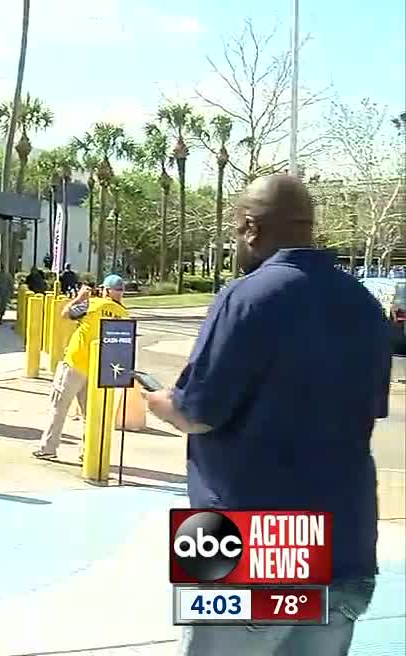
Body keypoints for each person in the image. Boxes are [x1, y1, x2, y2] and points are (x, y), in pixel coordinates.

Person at [142, 175, 388, 655]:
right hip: (348, 543)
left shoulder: (247, 296)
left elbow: (197, 413)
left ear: (251, 228)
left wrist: (160, 401)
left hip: (252, 543)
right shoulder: (364, 306)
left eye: (237, 230)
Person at [31, 275, 129, 461]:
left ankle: (48, 448)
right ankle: (87, 452)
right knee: (89, 414)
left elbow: (65, 313)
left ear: (106, 290)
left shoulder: (91, 304)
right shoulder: (124, 314)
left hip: (76, 363)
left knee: (59, 407)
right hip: (99, 369)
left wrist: (80, 297)